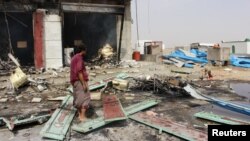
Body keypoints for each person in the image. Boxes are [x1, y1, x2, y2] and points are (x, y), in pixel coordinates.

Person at [70, 44, 90, 121]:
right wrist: (84, 84)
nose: (86, 52)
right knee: (86, 97)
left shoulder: (74, 57)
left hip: (74, 81)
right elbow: (79, 72)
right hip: (79, 81)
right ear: (83, 50)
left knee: (78, 97)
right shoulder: (79, 58)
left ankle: (79, 115)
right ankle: (82, 116)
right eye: (86, 50)